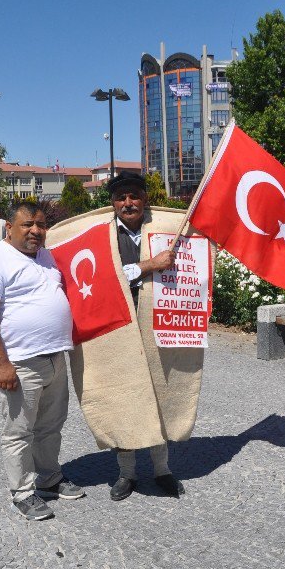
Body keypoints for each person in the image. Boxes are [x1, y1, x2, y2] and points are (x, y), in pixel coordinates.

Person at [0, 201, 85, 520]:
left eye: (40, 225)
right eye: (27, 225)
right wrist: (0, 363)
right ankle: (22, 491)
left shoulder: (46, 256)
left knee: (51, 425)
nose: (35, 230)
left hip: (54, 357)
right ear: (9, 227)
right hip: (21, 361)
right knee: (19, 430)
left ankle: (48, 478)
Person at [107, 171, 182, 501]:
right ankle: (127, 473)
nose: (128, 203)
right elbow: (110, 277)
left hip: (156, 323)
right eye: (121, 197)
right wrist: (150, 265)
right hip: (117, 326)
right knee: (122, 397)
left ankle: (162, 469)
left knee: (158, 392)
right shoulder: (104, 236)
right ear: (113, 203)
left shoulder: (163, 231)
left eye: (134, 196)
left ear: (144, 199)